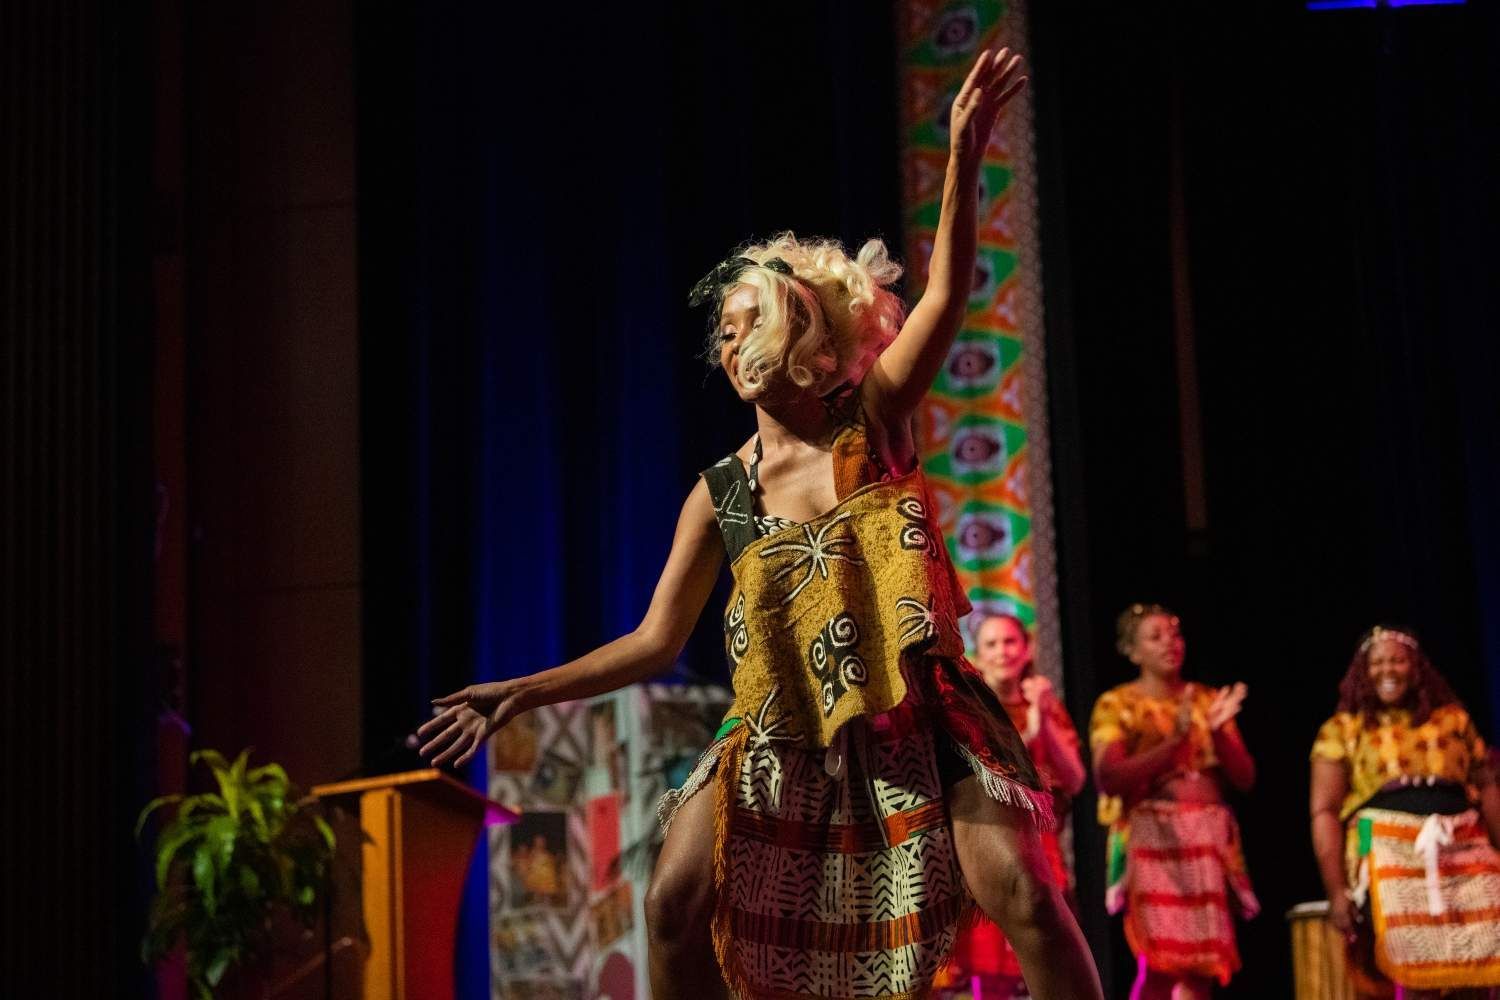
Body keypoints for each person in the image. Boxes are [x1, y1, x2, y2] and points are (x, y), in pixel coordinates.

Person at [417, 47, 1103, 1000]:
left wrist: (963, 153)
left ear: (815, 344)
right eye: (728, 330)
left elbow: (946, 297)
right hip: (780, 732)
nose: (734, 341)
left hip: (915, 717)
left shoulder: (875, 423)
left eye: (756, 322)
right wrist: (521, 692)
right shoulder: (722, 494)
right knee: (672, 901)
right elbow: (655, 640)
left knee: (1027, 897)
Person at [1309, 625, 1500, 998]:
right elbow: (1325, 811)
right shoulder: (1343, 729)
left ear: (1415, 667)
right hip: (1376, 837)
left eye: (1397, 660)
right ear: (1363, 672)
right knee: (1411, 957)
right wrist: (1336, 890)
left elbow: (1488, 787)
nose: (1388, 670)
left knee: (1482, 951)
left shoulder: (1452, 720)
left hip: (1460, 840)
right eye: (1377, 662)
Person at [1088, 604, 1258, 1000]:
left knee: (1202, 965)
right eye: (1156, 636)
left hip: (1207, 837)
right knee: (1163, 962)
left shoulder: (1206, 699)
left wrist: (1219, 733)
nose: (1170, 643)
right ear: (1133, 651)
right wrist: (1173, 745)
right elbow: (1108, 778)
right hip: (1154, 837)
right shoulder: (1118, 703)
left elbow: (1244, 778)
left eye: (1175, 634)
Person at [939, 613, 1087, 997]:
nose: (1002, 652)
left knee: (1046, 952)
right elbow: (1001, 773)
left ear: (1026, 650)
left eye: (1010, 642)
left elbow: (1074, 778)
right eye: (991, 644)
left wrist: (1044, 719)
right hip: (990, 840)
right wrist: (1032, 729)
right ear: (977, 655)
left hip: (1042, 847)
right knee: (990, 970)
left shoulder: (1044, 706)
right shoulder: (970, 708)